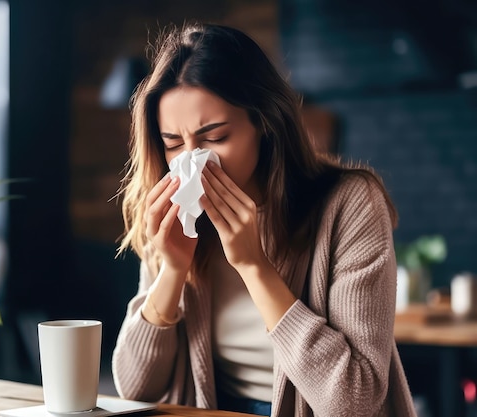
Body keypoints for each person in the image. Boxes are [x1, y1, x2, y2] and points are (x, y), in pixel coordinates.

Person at [111, 21, 417, 417]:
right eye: (173, 144)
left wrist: (254, 266)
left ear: (264, 123)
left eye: (215, 138)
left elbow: (353, 403)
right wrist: (171, 269)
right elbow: (134, 387)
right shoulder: (177, 218)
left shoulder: (350, 204)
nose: (192, 162)